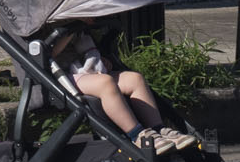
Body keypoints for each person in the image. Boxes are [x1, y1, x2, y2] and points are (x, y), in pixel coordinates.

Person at [43, 25, 202, 154]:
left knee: (135, 79)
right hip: (62, 76)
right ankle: (137, 135)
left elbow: (87, 48)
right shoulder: (45, 24)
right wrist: (72, 27)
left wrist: (99, 58)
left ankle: (158, 129)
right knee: (105, 83)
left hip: (85, 71)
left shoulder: (80, 25)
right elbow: (48, 53)